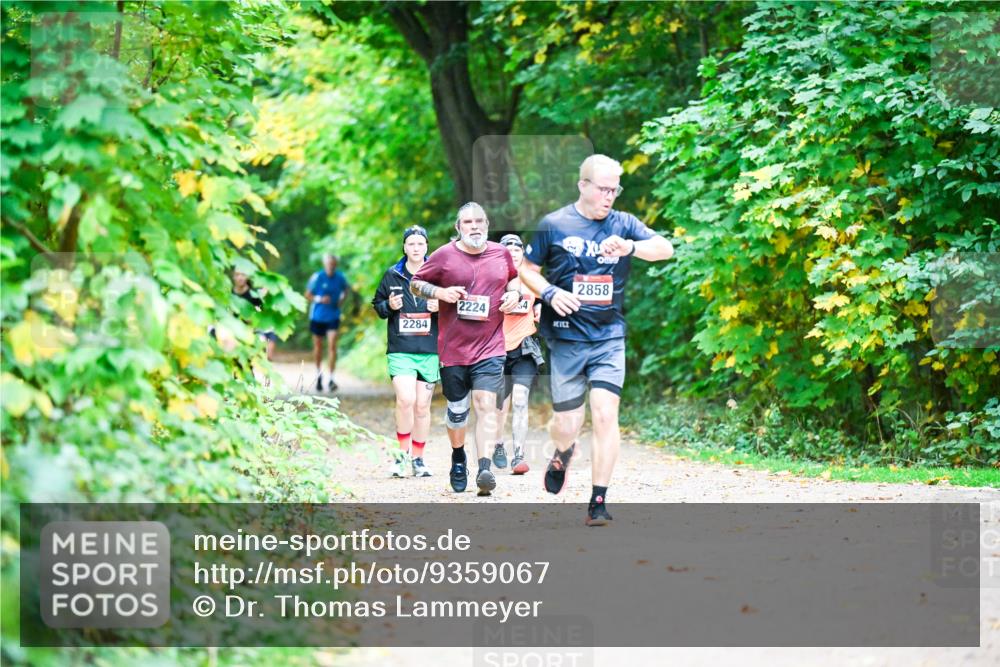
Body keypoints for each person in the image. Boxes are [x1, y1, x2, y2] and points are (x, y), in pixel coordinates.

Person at [519, 154, 674, 526]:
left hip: (608, 337)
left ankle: (598, 501)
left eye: (614, 190)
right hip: (566, 338)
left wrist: (630, 247)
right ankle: (563, 451)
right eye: (603, 189)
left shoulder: (623, 224)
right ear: (583, 185)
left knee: (605, 414)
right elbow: (525, 269)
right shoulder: (554, 224)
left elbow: (665, 249)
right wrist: (550, 293)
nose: (609, 196)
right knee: (567, 424)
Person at [410, 202, 521, 496]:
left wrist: (514, 294)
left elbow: (513, 279)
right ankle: (458, 457)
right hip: (454, 350)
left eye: (479, 221)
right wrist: (441, 292)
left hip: (491, 346)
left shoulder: (501, 253)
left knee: (485, 404)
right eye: (468, 222)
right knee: (457, 412)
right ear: (458, 228)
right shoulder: (444, 256)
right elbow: (416, 284)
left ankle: (484, 469)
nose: (475, 226)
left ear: (487, 225)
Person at [372, 225, 440, 479]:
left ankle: (418, 460)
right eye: (411, 243)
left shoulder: (437, 273)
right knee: (405, 400)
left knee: (422, 406)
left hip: (429, 350)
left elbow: (454, 306)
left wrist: (440, 306)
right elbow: (377, 306)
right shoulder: (392, 275)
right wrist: (389, 305)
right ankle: (400, 457)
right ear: (404, 247)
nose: (416, 248)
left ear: (426, 246)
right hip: (401, 350)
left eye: (420, 243)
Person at [492, 233, 543, 475]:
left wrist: (541, 308)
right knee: (499, 406)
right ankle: (498, 444)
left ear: (523, 253)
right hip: (496, 348)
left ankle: (519, 456)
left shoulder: (531, 278)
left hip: (524, 347)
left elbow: (544, 298)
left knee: (520, 400)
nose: (513, 253)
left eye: (517, 249)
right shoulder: (492, 278)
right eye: (508, 250)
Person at [305, 254, 350, 392]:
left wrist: (341, 300)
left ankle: (331, 378)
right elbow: (307, 294)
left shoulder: (340, 277)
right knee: (318, 347)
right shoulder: (317, 277)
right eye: (329, 263)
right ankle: (318, 375)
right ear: (324, 264)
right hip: (317, 316)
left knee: (332, 346)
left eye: (333, 263)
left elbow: (346, 289)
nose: (331, 266)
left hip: (333, 315)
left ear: (336, 264)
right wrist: (319, 299)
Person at [231, 270, 278, 361]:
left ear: (247, 277)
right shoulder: (229, 294)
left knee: (264, 352)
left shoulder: (255, 295)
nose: (240, 278)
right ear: (233, 277)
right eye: (237, 275)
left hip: (254, 331)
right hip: (234, 331)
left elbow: (261, 313)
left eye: (243, 274)